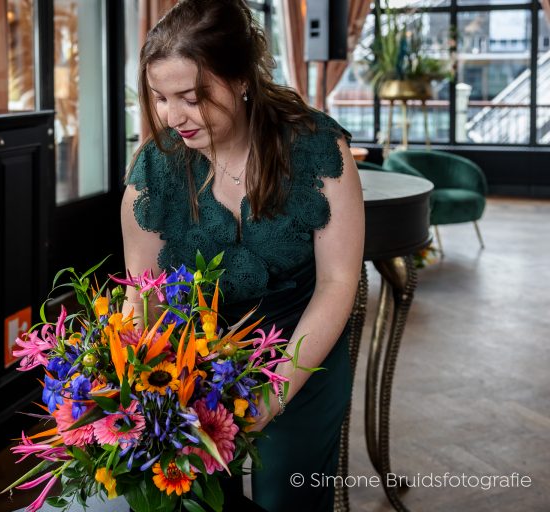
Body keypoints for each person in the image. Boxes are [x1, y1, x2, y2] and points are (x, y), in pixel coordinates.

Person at [120, 0, 364, 510]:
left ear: (241, 79)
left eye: (191, 96)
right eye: (161, 98)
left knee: (288, 499)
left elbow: (338, 282)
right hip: (193, 359)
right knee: (200, 501)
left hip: (301, 346)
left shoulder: (315, 147)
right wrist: (130, 378)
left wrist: (272, 396)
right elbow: (146, 296)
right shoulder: (155, 171)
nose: (173, 116)